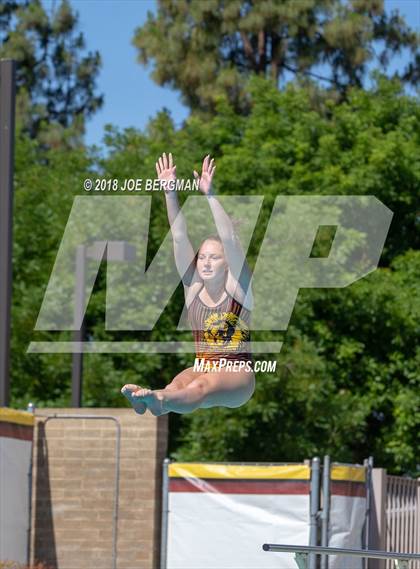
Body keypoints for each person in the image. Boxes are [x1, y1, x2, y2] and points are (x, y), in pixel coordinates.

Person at [121, 153, 255, 415]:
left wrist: (210, 195)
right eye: (202, 256)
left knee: (201, 384)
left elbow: (229, 238)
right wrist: (170, 193)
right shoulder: (193, 287)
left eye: (214, 257)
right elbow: (179, 237)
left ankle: (162, 401)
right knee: (180, 382)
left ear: (227, 263)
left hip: (237, 375)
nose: (205, 262)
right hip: (204, 364)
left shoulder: (239, 288)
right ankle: (153, 400)